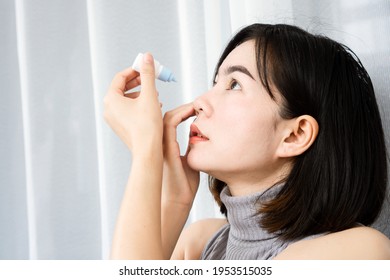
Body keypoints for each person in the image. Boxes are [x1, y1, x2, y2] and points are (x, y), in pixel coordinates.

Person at [104, 23, 390, 259]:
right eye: (216, 82)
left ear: (295, 134)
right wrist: (175, 200)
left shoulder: (360, 251)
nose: (201, 101)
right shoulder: (199, 244)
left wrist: (146, 151)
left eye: (235, 85)